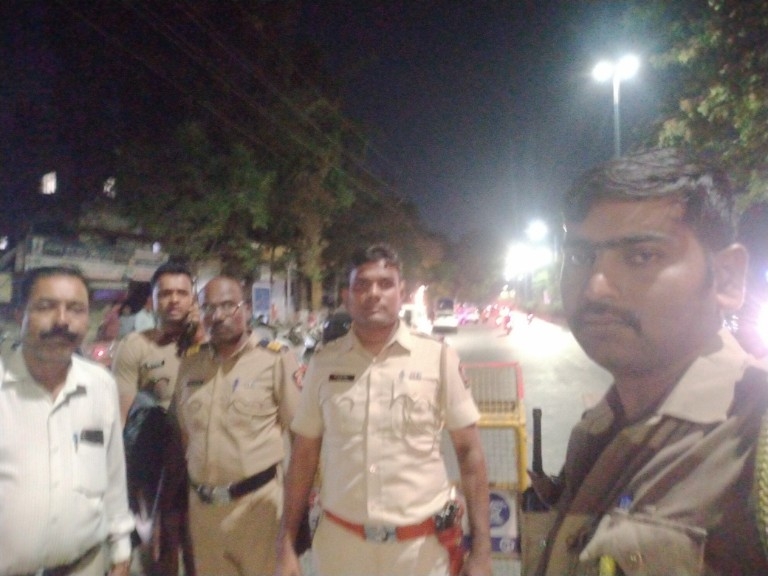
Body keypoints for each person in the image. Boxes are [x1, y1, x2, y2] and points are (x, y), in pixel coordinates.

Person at [523, 148, 768, 575]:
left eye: (642, 256)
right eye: (580, 257)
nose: (595, 288)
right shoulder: (598, 428)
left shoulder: (754, 443)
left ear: (727, 277)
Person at [275, 243, 492, 576]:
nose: (373, 293)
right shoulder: (323, 364)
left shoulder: (438, 358)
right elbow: (303, 457)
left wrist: (482, 551)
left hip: (421, 551)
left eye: (385, 284)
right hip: (342, 550)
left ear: (401, 293)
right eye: (362, 285)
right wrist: (286, 544)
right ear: (347, 297)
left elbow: (470, 454)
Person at [0, 266, 134, 576]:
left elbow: (113, 475)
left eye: (76, 309)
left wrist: (121, 547)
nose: (62, 320)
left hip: (85, 565)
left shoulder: (100, 385)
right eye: (46, 306)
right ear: (20, 314)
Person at [173, 275, 302, 576]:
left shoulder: (275, 359)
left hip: (258, 510)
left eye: (228, 306)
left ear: (246, 309)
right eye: (209, 308)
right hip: (204, 513)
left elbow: (301, 437)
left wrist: (299, 510)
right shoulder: (191, 364)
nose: (218, 316)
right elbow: (186, 435)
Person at [112, 261, 200, 576]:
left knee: (202, 554)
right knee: (160, 554)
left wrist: (200, 338)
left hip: (205, 469)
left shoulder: (212, 344)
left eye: (182, 293)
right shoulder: (135, 346)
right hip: (157, 470)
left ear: (193, 298)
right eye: (165, 293)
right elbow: (120, 418)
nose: (174, 300)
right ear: (153, 299)